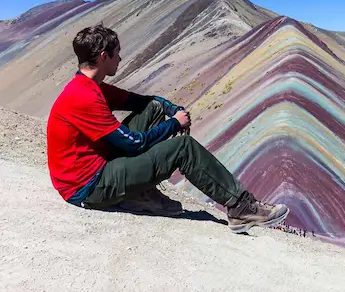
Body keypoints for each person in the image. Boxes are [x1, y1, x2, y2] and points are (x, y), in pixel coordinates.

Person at [46, 24, 289, 233]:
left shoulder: (91, 86)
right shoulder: (84, 97)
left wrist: (171, 108)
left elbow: (145, 102)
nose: (120, 58)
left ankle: (138, 191)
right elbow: (133, 143)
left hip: (95, 168)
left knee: (152, 108)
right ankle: (242, 208)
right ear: (103, 56)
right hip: (88, 186)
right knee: (184, 148)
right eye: (117, 53)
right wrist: (175, 123)